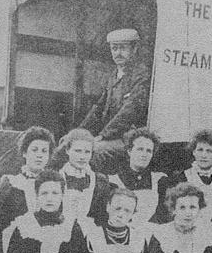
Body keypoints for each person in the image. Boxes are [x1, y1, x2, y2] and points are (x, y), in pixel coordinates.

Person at [79, 28, 151, 172]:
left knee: (95, 150)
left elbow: (129, 112)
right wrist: (79, 131)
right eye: (114, 48)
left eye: (123, 48)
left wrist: (103, 135)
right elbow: (98, 108)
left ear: (134, 49)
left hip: (130, 138)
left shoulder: (141, 76)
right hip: (111, 136)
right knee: (70, 143)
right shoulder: (113, 76)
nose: (118, 53)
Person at [163, 129, 212, 226]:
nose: (204, 155)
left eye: (209, 151)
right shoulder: (181, 177)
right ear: (194, 152)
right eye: (200, 150)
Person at [108, 128, 166, 228]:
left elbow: (163, 216)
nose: (144, 155)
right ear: (129, 151)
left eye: (149, 151)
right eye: (140, 149)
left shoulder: (159, 180)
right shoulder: (113, 181)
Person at [56, 128, 110, 226]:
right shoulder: (56, 178)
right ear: (68, 150)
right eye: (78, 151)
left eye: (87, 152)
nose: (82, 156)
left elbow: (101, 217)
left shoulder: (99, 181)